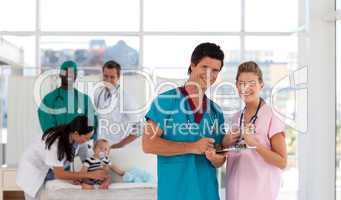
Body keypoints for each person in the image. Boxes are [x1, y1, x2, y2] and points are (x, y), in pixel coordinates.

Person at [143, 42, 227, 200]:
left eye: (215, 70)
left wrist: (216, 158)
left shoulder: (216, 111)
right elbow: (148, 144)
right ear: (193, 65)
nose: (210, 74)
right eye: (205, 67)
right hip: (175, 193)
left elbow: (219, 158)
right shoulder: (165, 102)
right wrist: (192, 147)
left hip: (207, 193)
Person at [223, 61, 287, 200]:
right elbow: (232, 154)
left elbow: (282, 162)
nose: (246, 87)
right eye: (241, 83)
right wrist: (225, 142)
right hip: (235, 193)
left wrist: (253, 143)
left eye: (252, 83)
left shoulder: (271, 116)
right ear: (236, 86)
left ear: (261, 85)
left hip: (261, 194)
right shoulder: (235, 118)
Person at [16, 115, 107, 200]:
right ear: (76, 134)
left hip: (50, 170)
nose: (87, 141)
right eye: (86, 138)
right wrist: (88, 175)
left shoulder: (79, 142)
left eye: (89, 138)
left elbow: (87, 161)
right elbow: (59, 173)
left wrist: (88, 174)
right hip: (34, 171)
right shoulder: (55, 142)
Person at [37, 60, 98, 178]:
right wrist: (65, 140)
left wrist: (89, 140)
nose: (69, 77)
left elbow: (92, 122)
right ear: (60, 75)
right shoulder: (49, 99)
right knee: (57, 177)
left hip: (80, 143)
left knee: (87, 169)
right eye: (66, 74)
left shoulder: (84, 99)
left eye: (72, 74)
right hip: (58, 145)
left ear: (75, 76)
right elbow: (48, 129)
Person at [94, 60, 139, 148]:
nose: (108, 80)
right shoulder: (99, 93)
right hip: (101, 147)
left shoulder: (125, 97)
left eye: (112, 77)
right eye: (105, 76)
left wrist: (120, 144)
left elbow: (139, 128)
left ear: (118, 77)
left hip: (117, 147)